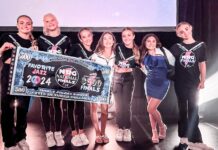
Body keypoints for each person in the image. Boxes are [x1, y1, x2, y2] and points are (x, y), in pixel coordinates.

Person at [0, 15, 37, 150]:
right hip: (9, 77)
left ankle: (21, 137)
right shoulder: (7, 37)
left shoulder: (34, 44)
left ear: (32, 26)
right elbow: (4, 58)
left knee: (23, 110)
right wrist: (1, 50)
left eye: (28, 23)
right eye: (21, 23)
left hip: (25, 79)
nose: (25, 25)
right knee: (7, 109)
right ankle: (9, 142)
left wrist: (36, 55)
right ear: (17, 25)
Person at [37, 13, 71, 147]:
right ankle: (48, 135)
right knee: (45, 105)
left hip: (59, 76)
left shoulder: (66, 39)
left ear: (57, 21)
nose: (50, 23)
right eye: (47, 21)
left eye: (52, 20)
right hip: (44, 76)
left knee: (57, 105)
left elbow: (70, 58)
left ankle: (57, 133)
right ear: (44, 24)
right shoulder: (40, 39)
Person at [170, 22, 207, 147]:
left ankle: (194, 137)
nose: (184, 32)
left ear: (191, 28)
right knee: (182, 110)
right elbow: (169, 64)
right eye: (181, 32)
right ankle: (183, 136)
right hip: (180, 83)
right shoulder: (176, 47)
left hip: (194, 83)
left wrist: (203, 80)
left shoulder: (200, 45)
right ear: (177, 34)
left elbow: (202, 64)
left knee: (193, 109)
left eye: (186, 29)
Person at [140, 33, 175, 144]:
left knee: (150, 108)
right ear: (145, 43)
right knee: (151, 110)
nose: (151, 43)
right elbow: (144, 69)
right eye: (148, 41)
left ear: (156, 42)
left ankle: (162, 126)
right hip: (149, 83)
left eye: (153, 41)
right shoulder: (143, 54)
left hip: (163, 83)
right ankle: (154, 131)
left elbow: (174, 63)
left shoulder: (163, 51)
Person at [65, 28, 94, 147]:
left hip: (83, 84)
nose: (87, 39)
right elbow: (65, 61)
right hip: (71, 81)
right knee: (71, 106)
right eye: (84, 37)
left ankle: (81, 132)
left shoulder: (94, 53)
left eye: (88, 36)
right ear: (80, 39)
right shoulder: (76, 47)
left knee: (80, 107)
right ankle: (73, 133)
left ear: (92, 36)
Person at [113, 27, 140, 142]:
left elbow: (139, 66)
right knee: (119, 105)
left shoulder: (137, 51)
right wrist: (115, 67)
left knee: (127, 104)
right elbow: (112, 60)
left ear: (133, 36)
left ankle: (127, 129)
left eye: (129, 35)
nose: (126, 38)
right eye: (124, 36)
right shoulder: (117, 47)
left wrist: (128, 69)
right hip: (117, 78)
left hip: (129, 79)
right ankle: (120, 128)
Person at [90, 32, 116, 144]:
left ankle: (103, 132)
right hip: (95, 85)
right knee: (94, 109)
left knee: (105, 110)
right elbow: (89, 69)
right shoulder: (95, 55)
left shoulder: (116, 55)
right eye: (105, 38)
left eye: (110, 38)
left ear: (113, 41)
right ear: (101, 41)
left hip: (107, 86)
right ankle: (97, 133)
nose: (107, 40)